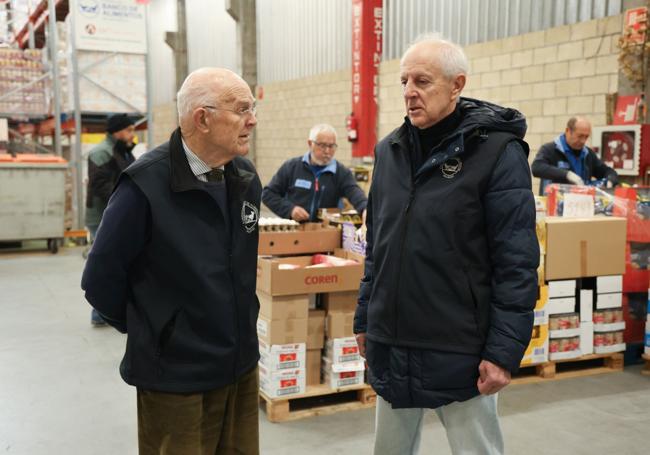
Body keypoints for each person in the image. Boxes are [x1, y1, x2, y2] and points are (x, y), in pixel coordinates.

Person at [353, 34, 539, 455]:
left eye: (422, 81)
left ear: (457, 85)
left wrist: (504, 350)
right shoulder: (389, 152)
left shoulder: (496, 153)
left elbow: (517, 259)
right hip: (392, 339)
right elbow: (377, 249)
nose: (409, 93)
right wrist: (366, 318)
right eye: (404, 81)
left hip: (461, 348)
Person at [81, 68, 262, 455]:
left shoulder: (244, 176)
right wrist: (159, 331)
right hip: (176, 377)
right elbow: (100, 279)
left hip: (240, 365)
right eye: (242, 109)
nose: (252, 119)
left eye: (252, 108)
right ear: (202, 118)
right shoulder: (144, 186)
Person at [84, 113, 136, 326]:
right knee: (105, 264)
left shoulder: (122, 151)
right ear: (118, 131)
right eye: (130, 130)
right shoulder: (101, 152)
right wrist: (124, 201)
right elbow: (100, 184)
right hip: (101, 216)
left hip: (116, 214)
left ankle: (110, 311)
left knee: (119, 264)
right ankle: (99, 314)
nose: (132, 134)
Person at [262, 123, 368, 221]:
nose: (327, 151)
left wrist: (365, 208)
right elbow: (267, 194)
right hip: (294, 232)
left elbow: (355, 193)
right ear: (310, 143)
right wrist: (290, 210)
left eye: (331, 146)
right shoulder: (292, 167)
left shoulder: (341, 172)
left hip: (325, 233)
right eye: (322, 145)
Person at [531, 116, 619, 195]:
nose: (583, 141)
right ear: (568, 131)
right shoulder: (550, 149)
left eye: (586, 137)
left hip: (580, 205)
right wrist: (567, 175)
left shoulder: (588, 154)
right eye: (580, 136)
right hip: (554, 206)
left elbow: (608, 171)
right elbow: (537, 168)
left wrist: (610, 181)